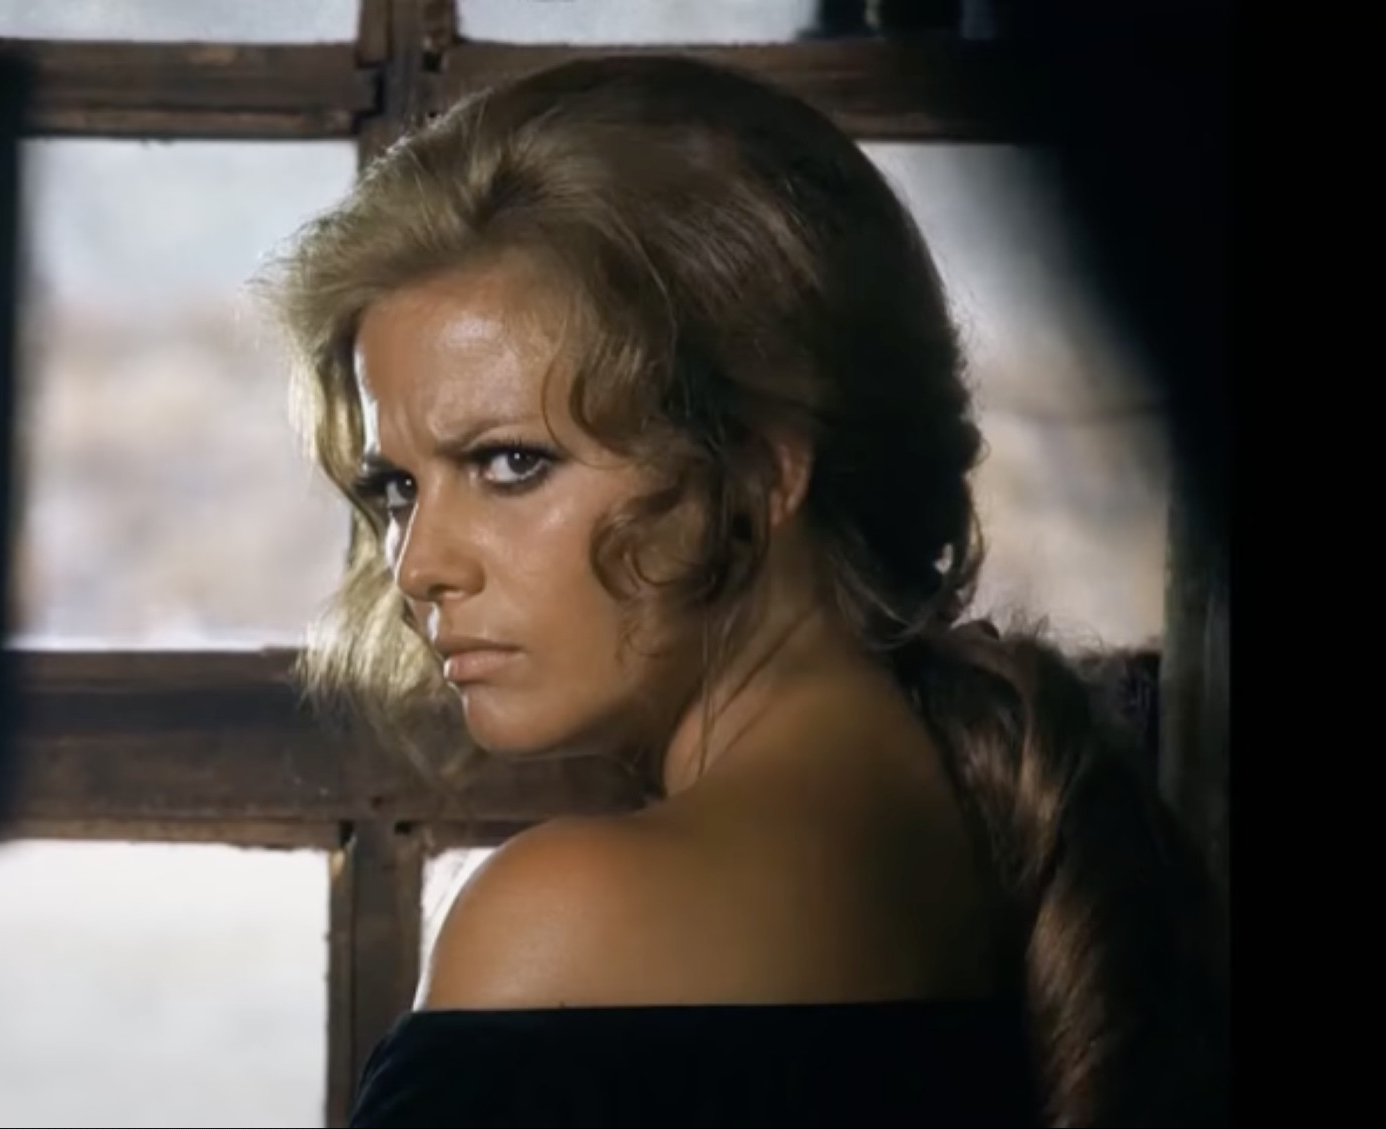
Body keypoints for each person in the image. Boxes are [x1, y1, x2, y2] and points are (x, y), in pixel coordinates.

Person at [263, 55, 1226, 1127]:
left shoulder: (562, 922)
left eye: (509, 463)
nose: (418, 564)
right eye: (395, 486)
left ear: (764, 469)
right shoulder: (999, 848)